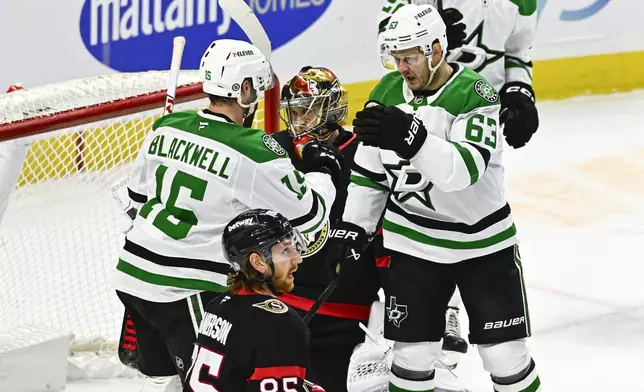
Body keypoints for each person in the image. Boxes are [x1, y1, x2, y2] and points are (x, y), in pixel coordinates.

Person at [111, 39, 343, 392]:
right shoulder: (251, 149)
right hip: (185, 289)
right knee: (212, 381)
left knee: (179, 378)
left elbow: (137, 197)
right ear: (245, 87)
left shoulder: (166, 127)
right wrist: (323, 170)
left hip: (131, 276)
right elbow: (310, 215)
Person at [333, 4, 541, 392]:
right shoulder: (386, 91)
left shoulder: (474, 92)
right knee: (411, 357)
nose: (402, 67)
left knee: (506, 356)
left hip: (482, 244)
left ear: (435, 50)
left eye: (410, 57)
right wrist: (353, 228)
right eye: (396, 58)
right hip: (413, 244)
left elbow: (461, 171)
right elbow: (369, 172)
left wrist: (412, 138)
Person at [271, 66, 382, 392]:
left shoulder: (367, 153)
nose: (302, 120)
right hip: (282, 306)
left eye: (310, 109)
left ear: (333, 109)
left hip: (346, 314)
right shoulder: (274, 149)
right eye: (295, 111)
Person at [183, 208, 324, 391]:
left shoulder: (218, 304)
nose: (297, 259)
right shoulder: (281, 324)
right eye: (285, 251)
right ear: (258, 262)